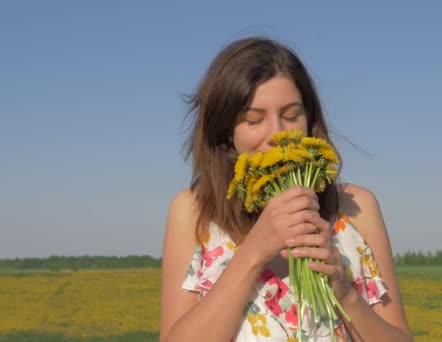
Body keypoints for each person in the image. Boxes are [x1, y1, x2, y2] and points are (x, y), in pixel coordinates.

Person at [160, 36, 412, 342]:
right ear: (226, 131)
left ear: (309, 119)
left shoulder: (356, 206)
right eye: (254, 119)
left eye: (291, 115)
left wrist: (344, 291)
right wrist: (254, 250)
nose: (277, 135)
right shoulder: (193, 211)